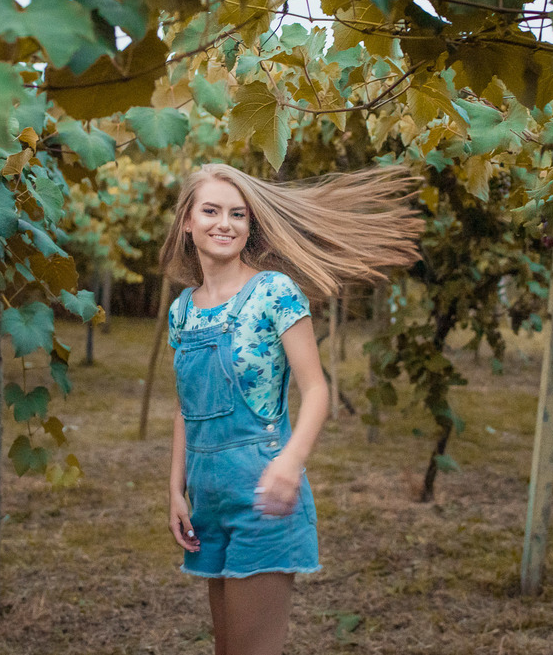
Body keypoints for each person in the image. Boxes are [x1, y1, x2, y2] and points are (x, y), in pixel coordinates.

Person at [159, 162, 423, 655]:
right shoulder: (183, 310)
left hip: (262, 493)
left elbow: (316, 390)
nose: (225, 223)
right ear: (186, 223)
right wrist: (176, 490)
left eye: (238, 214)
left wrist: (289, 462)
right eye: (211, 211)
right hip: (206, 501)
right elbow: (184, 408)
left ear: (250, 226)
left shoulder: (273, 293)